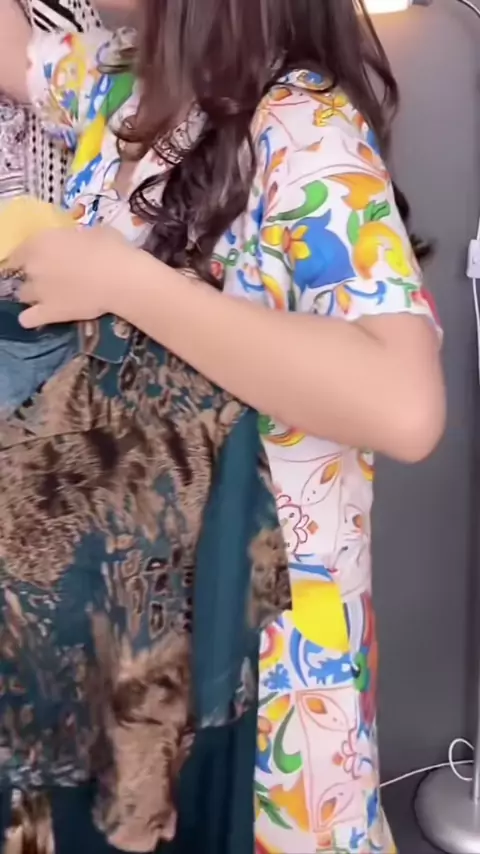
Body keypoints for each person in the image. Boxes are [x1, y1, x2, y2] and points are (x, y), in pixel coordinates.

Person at [0, 1, 445, 853]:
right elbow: (18, 52)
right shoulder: (123, 86)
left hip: (271, 674)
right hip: (141, 656)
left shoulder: (304, 127)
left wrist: (132, 286)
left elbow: (405, 403)